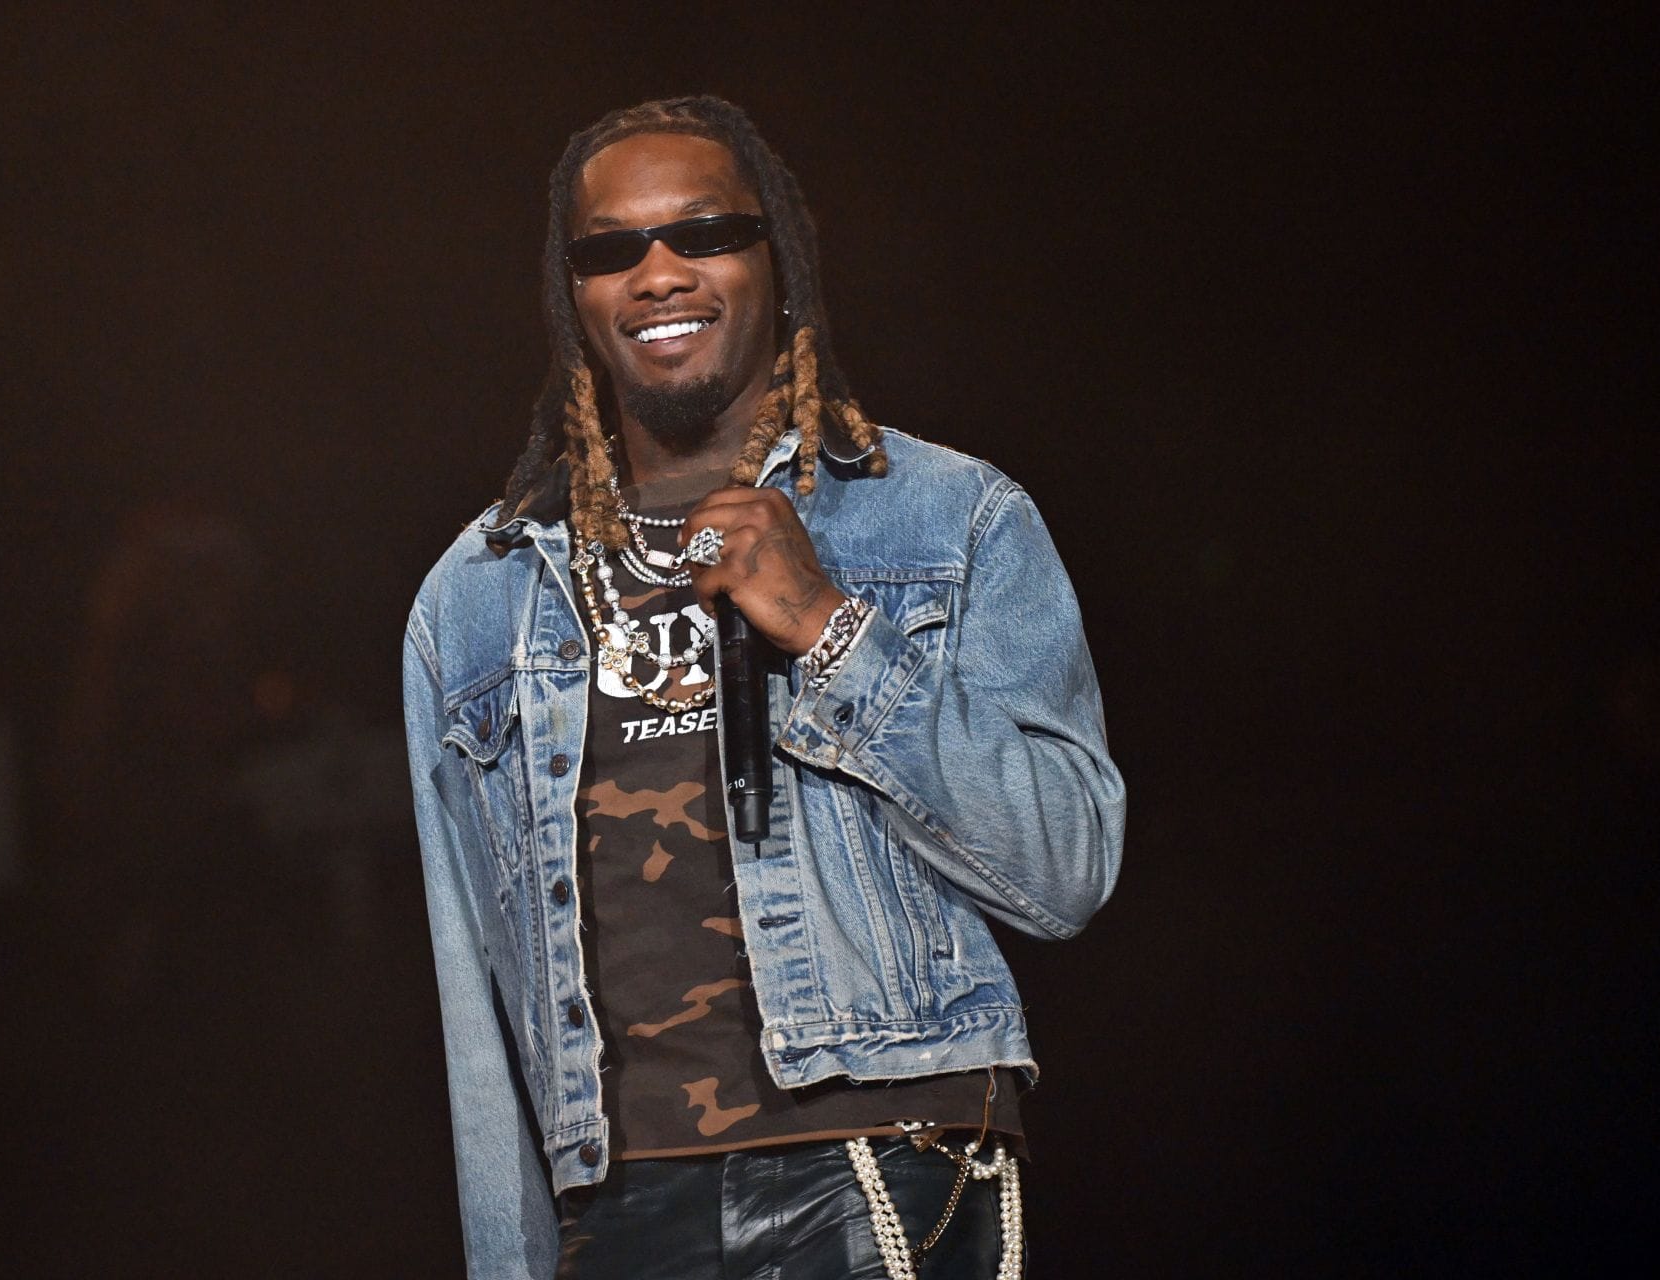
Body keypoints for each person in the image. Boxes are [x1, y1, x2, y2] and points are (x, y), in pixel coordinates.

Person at [403, 96, 1124, 1280]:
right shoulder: (476, 597)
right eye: (612, 249)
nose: (658, 273)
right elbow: (473, 1011)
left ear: (774, 259)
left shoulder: (945, 518)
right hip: (617, 1216)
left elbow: (1067, 862)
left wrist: (832, 626)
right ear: (574, 296)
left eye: (704, 233)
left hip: (882, 1172)